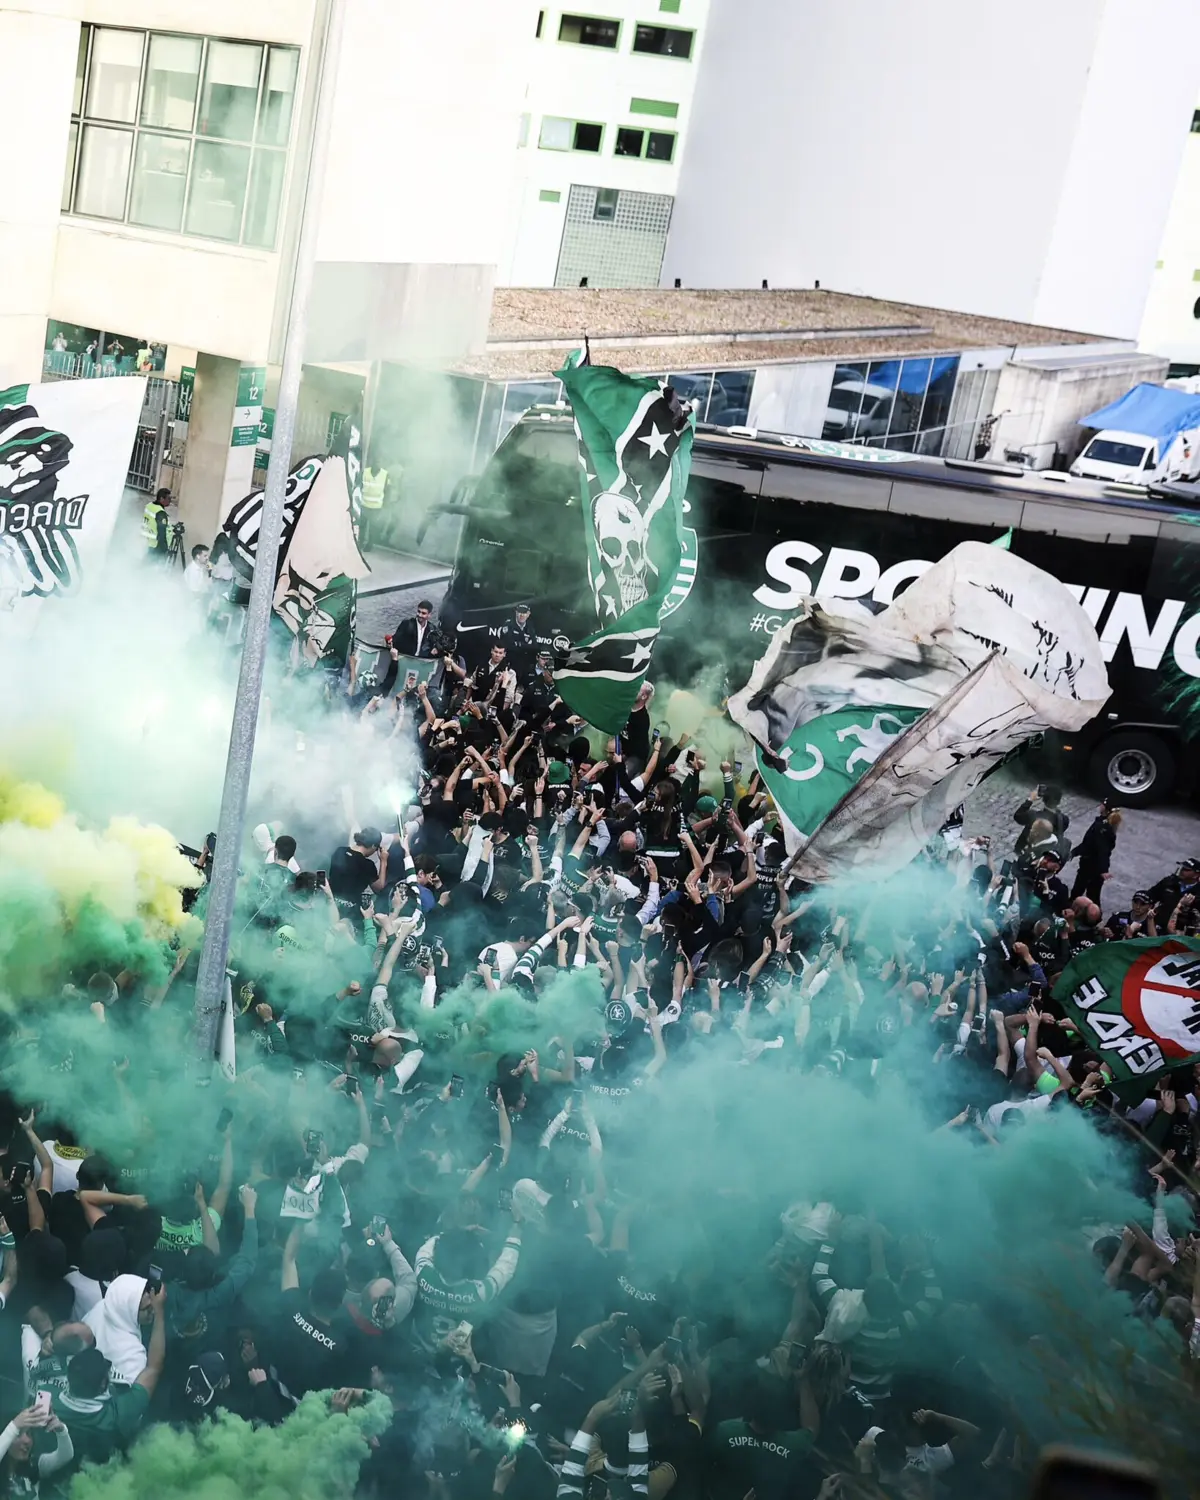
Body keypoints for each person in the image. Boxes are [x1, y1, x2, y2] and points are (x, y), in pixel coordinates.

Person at [52, 1285, 165, 1466]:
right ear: (103, 1385)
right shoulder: (117, 1416)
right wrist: (160, 1313)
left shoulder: (49, 1401)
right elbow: (153, 1368)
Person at [0, 1403, 74, 1497]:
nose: (27, 1440)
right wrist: (14, 1426)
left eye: (29, 1434)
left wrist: (61, 1431)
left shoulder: (34, 1466)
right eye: (18, 1434)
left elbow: (65, 1456)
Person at [497, 604, 536, 682]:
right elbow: (508, 645)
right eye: (520, 612)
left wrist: (518, 644)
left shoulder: (530, 628)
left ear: (528, 614)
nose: (521, 615)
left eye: (524, 613)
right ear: (516, 612)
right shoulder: (508, 625)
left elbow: (534, 647)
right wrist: (525, 646)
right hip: (509, 661)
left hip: (523, 664)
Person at [142, 489, 171, 557]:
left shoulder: (149, 506)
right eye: (168, 498)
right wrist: (164, 548)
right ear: (161, 499)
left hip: (145, 541)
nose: (170, 501)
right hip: (155, 545)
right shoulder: (160, 513)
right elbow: (161, 532)